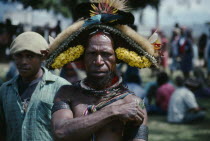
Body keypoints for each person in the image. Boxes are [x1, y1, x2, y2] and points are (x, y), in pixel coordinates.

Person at [45, 0, 160, 140]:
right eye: (92, 54)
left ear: (117, 57)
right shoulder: (66, 93)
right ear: (83, 57)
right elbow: (61, 132)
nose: (99, 61)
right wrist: (112, 111)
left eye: (106, 54)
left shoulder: (134, 103)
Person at [0, 32, 70, 141]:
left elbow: (68, 131)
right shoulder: (5, 90)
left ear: (43, 57)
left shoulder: (60, 87)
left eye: (30, 56)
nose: (23, 62)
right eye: (19, 55)